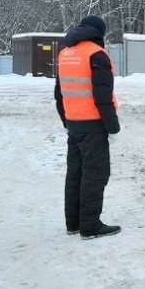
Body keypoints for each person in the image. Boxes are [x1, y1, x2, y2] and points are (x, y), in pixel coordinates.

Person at [54, 15, 121, 240]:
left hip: (74, 124)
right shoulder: (97, 55)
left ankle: (73, 223)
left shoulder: (65, 53)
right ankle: (90, 226)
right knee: (95, 175)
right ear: (98, 33)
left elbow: (59, 93)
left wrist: (66, 121)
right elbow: (103, 97)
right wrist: (112, 128)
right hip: (93, 126)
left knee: (75, 174)